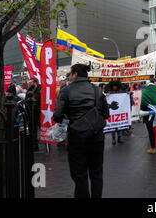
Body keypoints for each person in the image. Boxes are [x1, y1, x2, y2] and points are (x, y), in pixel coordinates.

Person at [53, 64, 109, 198]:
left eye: (70, 74)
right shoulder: (97, 90)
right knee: (96, 174)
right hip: (96, 137)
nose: (69, 77)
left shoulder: (66, 91)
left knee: (80, 175)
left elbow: (57, 116)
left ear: (75, 74)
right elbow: (106, 113)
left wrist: (70, 117)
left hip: (77, 138)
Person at [140, 78, 156, 154]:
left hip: (149, 115)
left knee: (151, 131)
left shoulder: (145, 92)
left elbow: (143, 105)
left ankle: (153, 148)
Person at [105, 81, 125, 145]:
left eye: (115, 86)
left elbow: (124, 98)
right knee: (113, 126)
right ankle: (113, 139)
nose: (114, 87)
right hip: (112, 112)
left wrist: (128, 94)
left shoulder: (121, 91)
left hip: (119, 111)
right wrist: (107, 95)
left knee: (119, 126)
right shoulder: (109, 92)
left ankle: (119, 138)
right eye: (113, 86)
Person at [26, 77, 41, 151]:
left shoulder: (40, 89)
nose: (29, 84)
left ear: (35, 82)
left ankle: (46, 143)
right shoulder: (29, 89)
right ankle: (34, 145)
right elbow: (26, 99)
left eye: (30, 82)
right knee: (33, 129)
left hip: (39, 112)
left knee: (41, 127)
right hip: (31, 112)